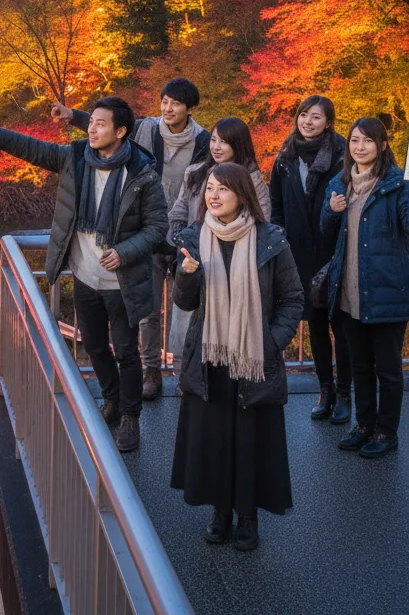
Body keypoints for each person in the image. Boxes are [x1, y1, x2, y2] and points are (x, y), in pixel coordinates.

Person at [0, 97, 168, 452]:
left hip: (123, 282)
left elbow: (158, 226)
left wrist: (124, 251)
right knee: (92, 346)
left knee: (126, 351)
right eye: (92, 122)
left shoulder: (141, 174)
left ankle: (131, 418)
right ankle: (112, 400)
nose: (92, 128)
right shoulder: (76, 159)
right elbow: (32, 149)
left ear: (120, 132)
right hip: (86, 276)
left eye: (101, 124)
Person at [171, 162, 304, 551]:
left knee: (250, 439)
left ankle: (248, 516)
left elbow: (292, 299)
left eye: (223, 189)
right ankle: (220, 511)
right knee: (213, 437)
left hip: (253, 357)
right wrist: (187, 274)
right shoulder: (194, 236)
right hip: (210, 356)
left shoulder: (270, 239)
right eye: (210, 188)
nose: (213, 195)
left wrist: (270, 342)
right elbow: (184, 300)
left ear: (242, 194)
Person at [56, 77, 209, 399]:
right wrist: (72, 115)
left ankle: (182, 370)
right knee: (148, 310)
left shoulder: (203, 141)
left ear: (190, 109)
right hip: (147, 233)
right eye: (164, 101)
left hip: (184, 231)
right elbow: (110, 125)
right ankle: (151, 370)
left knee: (187, 307)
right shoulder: (146, 129)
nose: (167, 108)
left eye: (175, 104)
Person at [320, 118, 409, 458]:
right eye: (354, 140)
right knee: (359, 366)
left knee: (387, 369)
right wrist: (331, 210)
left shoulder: (399, 182)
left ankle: (386, 431)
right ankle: (364, 424)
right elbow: (326, 231)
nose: (359, 147)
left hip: (388, 290)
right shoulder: (339, 183)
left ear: (383, 145)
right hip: (350, 291)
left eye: (368, 141)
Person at [166, 118, 271, 388]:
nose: (217, 146)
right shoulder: (196, 173)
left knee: (227, 324)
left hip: (236, 263)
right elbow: (178, 211)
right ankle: (186, 377)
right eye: (213, 139)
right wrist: (181, 239)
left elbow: (263, 223)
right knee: (189, 318)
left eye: (224, 141)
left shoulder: (252, 180)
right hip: (196, 259)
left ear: (239, 144)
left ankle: (225, 378)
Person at [269, 95, 350, 423]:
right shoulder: (285, 155)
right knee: (316, 325)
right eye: (304, 115)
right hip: (299, 250)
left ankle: (345, 393)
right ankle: (325, 390)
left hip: (335, 249)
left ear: (328, 122)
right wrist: (279, 236)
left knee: (341, 327)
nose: (308, 122)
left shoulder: (343, 155)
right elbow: (275, 202)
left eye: (316, 117)